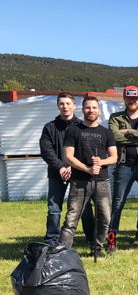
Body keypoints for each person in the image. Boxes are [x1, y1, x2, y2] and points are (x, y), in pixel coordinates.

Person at [59, 97, 117, 257]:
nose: (91, 110)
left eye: (94, 108)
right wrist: (87, 169)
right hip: (79, 182)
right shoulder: (73, 131)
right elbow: (68, 157)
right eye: (87, 108)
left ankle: (97, 247)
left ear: (98, 110)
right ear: (82, 109)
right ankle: (63, 253)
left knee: (104, 217)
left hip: (102, 181)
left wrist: (101, 161)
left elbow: (114, 157)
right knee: (72, 218)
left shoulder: (106, 132)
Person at [40, 92, 96, 245]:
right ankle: (51, 241)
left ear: (74, 106)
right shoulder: (49, 127)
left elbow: (86, 150)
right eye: (62, 104)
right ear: (58, 106)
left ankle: (91, 239)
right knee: (54, 209)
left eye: (68, 104)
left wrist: (72, 167)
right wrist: (60, 167)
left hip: (79, 173)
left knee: (84, 208)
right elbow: (46, 150)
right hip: (56, 173)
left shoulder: (82, 127)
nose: (65, 107)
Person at [108, 86, 138, 249]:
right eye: (129, 98)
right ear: (124, 99)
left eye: (135, 98)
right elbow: (114, 137)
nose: (132, 101)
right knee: (117, 203)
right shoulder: (115, 118)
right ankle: (111, 239)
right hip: (124, 166)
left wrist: (128, 132)